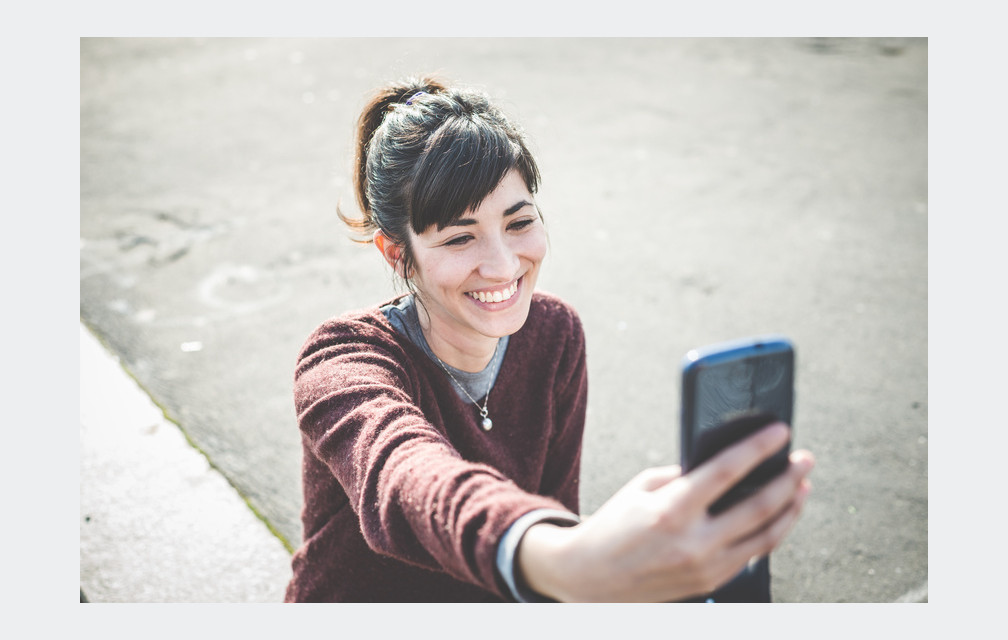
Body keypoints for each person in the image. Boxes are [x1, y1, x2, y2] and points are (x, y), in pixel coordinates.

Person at [283, 75, 815, 603]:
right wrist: (558, 558)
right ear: (397, 253)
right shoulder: (342, 359)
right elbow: (402, 476)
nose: (503, 265)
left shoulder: (554, 333)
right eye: (460, 237)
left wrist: (592, 560)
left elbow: (556, 507)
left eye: (519, 223)